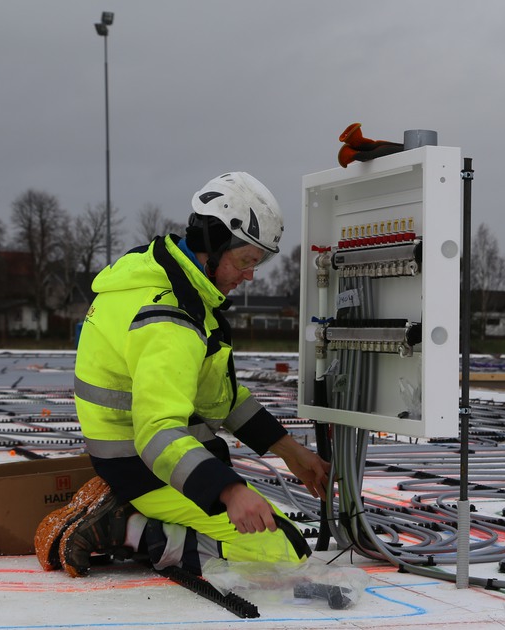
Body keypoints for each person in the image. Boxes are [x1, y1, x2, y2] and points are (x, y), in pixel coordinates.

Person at [37, 171, 330, 578]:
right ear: (213, 246)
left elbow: (216, 397)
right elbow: (157, 432)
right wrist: (230, 491)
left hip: (139, 455)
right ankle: (125, 527)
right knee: (280, 553)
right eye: (245, 262)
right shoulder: (170, 317)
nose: (249, 277)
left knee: (271, 537)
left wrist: (288, 450)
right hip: (143, 464)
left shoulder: (165, 273)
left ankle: (125, 507)